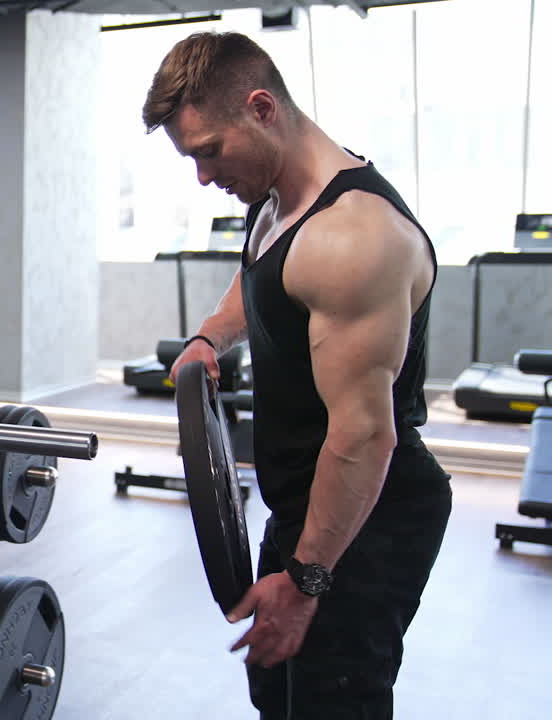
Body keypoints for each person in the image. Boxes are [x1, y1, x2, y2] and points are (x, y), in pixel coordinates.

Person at [143, 32, 452, 718]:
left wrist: (307, 581)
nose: (200, 177)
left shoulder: (353, 238)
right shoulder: (276, 197)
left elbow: (364, 438)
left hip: (370, 510)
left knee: (333, 699)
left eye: (207, 153)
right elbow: (257, 282)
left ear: (261, 109)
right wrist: (207, 340)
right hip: (303, 501)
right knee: (275, 690)